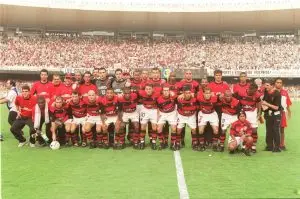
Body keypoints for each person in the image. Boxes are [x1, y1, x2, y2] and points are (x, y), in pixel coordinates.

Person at [236, 83, 261, 153]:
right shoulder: (241, 92)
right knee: (243, 129)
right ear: (249, 89)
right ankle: (243, 145)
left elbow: (259, 102)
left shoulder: (257, 94)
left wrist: (259, 112)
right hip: (243, 112)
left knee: (254, 130)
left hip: (253, 112)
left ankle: (253, 146)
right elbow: (235, 100)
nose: (254, 93)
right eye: (253, 91)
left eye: (255, 91)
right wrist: (238, 111)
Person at [262, 79, 282, 152]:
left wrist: (267, 104)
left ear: (272, 86)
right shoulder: (266, 92)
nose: (265, 87)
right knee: (268, 130)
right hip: (268, 114)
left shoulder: (277, 94)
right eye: (265, 85)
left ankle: (277, 147)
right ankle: (269, 146)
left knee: (275, 130)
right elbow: (263, 101)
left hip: (276, 114)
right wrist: (264, 108)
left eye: (267, 85)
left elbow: (276, 107)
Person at [138, 84, 160, 150]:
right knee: (142, 126)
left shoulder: (157, 94)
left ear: (152, 89)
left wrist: (158, 114)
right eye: (147, 89)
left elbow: (159, 104)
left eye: (150, 89)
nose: (148, 90)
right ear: (144, 90)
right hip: (144, 110)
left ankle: (153, 142)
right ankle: (142, 142)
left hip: (154, 110)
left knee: (154, 126)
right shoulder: (141, 93)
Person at [274, 78, 292, 150]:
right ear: (275, 83)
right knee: (274, 129)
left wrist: (289, 112)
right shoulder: (272, 91)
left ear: (282, 84)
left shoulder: (285, 92)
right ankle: (274, 144)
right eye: (277, 82)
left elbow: (287, 103)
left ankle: (282, 144)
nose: (279, 84)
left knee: (282, 129)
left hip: (282, 113)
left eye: (280, 82)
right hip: (274, 113)